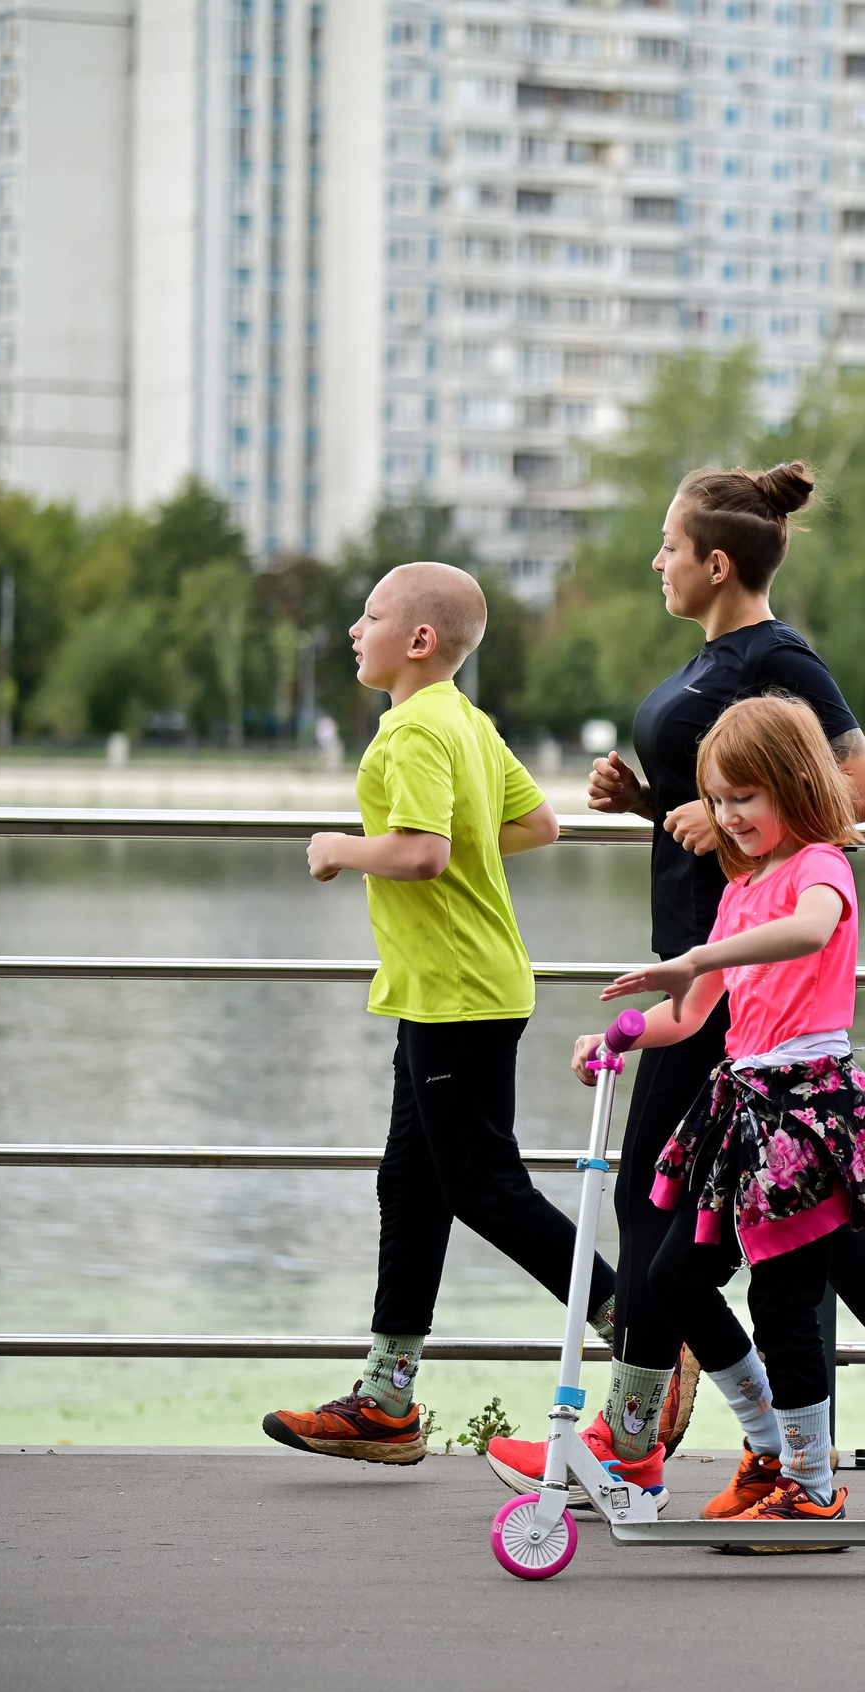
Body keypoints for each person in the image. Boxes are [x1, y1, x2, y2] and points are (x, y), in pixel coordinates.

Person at [487, 694, 865, 1527]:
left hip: (806, 1109)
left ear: (796, 786)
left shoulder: (817, 867)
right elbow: (693, 1015)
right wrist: (619, 1035)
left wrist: (698, 953)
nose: (729, 817)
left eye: (746, 798)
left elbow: (808, 933)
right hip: (744, 1110)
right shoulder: (738, 892)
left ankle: (808, 1479)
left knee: (783, 1299)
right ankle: (769, 1436)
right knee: (675, 1280)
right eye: (718, 799)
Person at [262, 562, 611, 1465]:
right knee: (409, 1185)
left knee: (484, 1188)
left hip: (457, 991)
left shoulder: (413, 731)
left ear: (419, 639)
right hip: (450, 988)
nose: (353, 628)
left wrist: (340, 847)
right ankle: (386, 1400)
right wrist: (452, 849)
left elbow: (418, 855)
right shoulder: (464, 719)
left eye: (369, 614)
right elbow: (539, 826)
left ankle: (647, 1330)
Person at [582, 461, 865, 1463]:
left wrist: (712, 825)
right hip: (696, 956)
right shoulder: (708, 658)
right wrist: (646, 804)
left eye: (669, 546)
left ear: (717, 563)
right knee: (686, 1214)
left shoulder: (780, 657)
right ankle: (743, 1428)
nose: (657, 561)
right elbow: (731, 810)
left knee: (678, 1213)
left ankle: (659, 1426)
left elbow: (861, 800)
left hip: (736, 979)